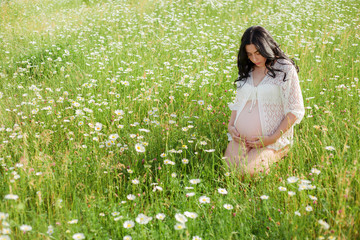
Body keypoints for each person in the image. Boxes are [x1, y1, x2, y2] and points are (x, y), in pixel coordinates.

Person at [224, 26, 305, 176]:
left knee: (246, 174)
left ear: (266, 47)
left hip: (271, 140)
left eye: (258, 53)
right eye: (249, 54)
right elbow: (239, 102)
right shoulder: (249, 69)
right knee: (228, 172)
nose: (254, 59)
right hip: (240, 139)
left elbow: (295, 110)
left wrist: (271, 139)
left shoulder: (284, 69)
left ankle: (279, 153)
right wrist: (231, 125)